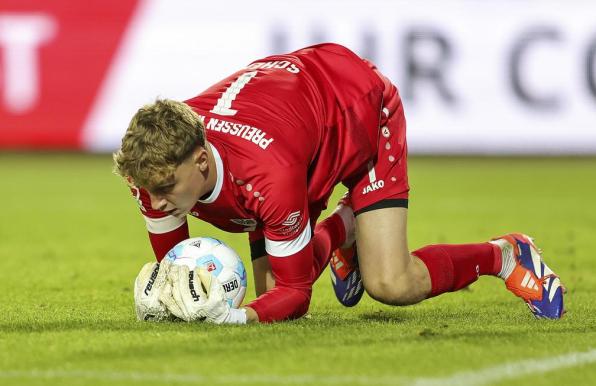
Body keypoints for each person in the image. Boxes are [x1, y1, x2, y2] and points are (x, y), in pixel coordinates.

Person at [114, 43, 564, 324]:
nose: (153, 202)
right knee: (274, 291)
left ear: (200, 161)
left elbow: (296, 295)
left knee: (390, 283)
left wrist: (233, 318)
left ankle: (505, 255)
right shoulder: (154, 166)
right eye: (146, 189)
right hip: (294, 126)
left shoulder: (266, 177)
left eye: (166, 189)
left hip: (358, 106)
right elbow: (175, 266)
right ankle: (345, 232)